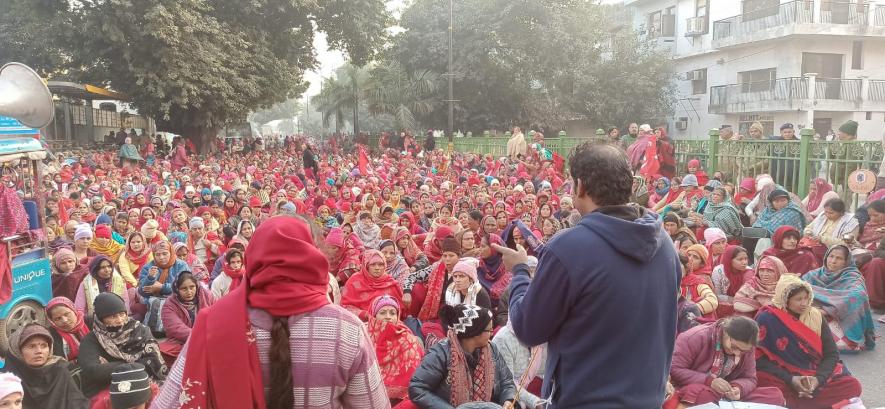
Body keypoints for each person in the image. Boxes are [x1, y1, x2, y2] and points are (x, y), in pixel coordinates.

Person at [496, 142, 680, 408]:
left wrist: (520, 271)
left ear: (580, 186)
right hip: (647, 399)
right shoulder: (664, 244)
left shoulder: (569, 247)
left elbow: (527, 329)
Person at [152, 216, 389, 408]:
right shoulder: (347, 329)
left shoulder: (213, 325)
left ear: (253, 257)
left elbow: (170, 402)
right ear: (314, 257)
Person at [755, 274, 863, 409]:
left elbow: (831, 354)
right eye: (798, 299)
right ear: (785, 299)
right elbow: (758, 359)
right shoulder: (767, 318)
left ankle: (792, 402)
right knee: (761, 378)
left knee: (853, 386)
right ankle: (804, 402)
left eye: (806, 298)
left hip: (814, 374)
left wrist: (818, 380)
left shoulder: (815, 316)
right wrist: (791, 379)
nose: (804, 303)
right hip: (784, 376)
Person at [409, 304, 516, 408]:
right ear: (474, 332)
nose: (492, 334)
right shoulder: (440, 354)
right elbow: (417, 388)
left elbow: (507, 382)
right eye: (489, 330)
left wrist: (508, 400)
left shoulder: (492, 349)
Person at [668, 317, 785, 406]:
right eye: (734, 347)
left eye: (743, 351)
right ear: (725, 332)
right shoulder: (695, 337)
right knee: (703, 395)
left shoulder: (747, 349)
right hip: (699, 388)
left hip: (727, 396)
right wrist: (709, 381)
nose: (737, 353)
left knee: (775, 396)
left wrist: (738, 388)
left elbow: (750, 378)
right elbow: (674, 369)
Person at [77, 293, 166, 405]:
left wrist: (111, 366)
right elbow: (93, 371)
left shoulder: (141, 330)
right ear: (101, 318)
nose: (119, 320)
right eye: (113, 316)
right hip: (108, 385)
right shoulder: (92, 339)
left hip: (143, 379)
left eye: (122, 314)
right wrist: (133, 364)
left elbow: (153, 362)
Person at [802, 245, 876, 352]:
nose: (833, 261)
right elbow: (799, 289)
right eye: (831, 256)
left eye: (839, 258)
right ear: (826, 257)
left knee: (855, 298)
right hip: (814, 313)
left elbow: (858, 295)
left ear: (847, 261)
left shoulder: (853, 277)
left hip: (839, 319)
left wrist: (827, 310)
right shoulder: (814, 275)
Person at [4, 323, 90, 409]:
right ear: (18, 350)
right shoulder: (6, 379)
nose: (39, 351)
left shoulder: (59, 371)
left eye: (44, 346)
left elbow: (76, 403)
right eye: (31, 346)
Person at [366, 295, 424, 404]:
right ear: (373, 315)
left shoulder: (408, 340)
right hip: (365, 397)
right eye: (382, 313)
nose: (388, 317)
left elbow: (414, 380)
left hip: (400, 401)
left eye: (392, 313)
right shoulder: (364, 336)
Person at [137, 241, 189, 333]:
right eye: (157, 254)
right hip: (154, 301)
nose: (161, 257)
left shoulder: (181, 265)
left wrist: (162, 287)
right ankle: (156, 329)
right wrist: (150, 278)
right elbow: (142, 292)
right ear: (154, 255)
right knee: (153, 303)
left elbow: (184, 287)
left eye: (165, 254)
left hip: (176, 299)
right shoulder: (148, 267)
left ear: (171, 252)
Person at [340, 249, 404, 320]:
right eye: (373, 264)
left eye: (380, 264)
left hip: (388, 321)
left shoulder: (390, 283)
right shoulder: (354, 281)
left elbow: (400, 309)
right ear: (366, 266)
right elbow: (345, 307)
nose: (377, 268)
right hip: (360, 322)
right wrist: (365, 315)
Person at [74, 256, 130, 320]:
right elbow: (79, 308)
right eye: (102, 267)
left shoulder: (119, 281)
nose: (107, 270)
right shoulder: (86, 284)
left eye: (109, 266)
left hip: (118, 319)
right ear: (95, 269)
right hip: (93, 319)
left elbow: (125, 303)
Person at [45, 297, 91, 364]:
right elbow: (59, 363)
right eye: (58, 318)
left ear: (73, 310)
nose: (65, 320)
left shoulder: (91, 322)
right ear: (52, 321)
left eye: (67, 314)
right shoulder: (51, 335)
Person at [711, 245, 753, 316]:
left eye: (746, 259)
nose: (744, 262)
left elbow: (749, 296)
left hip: (743, 307)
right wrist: (734, 299)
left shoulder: (749, 272)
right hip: (722, 307)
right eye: (740, 259)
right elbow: (717, 295)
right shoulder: (719, 271)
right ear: (729, 260)